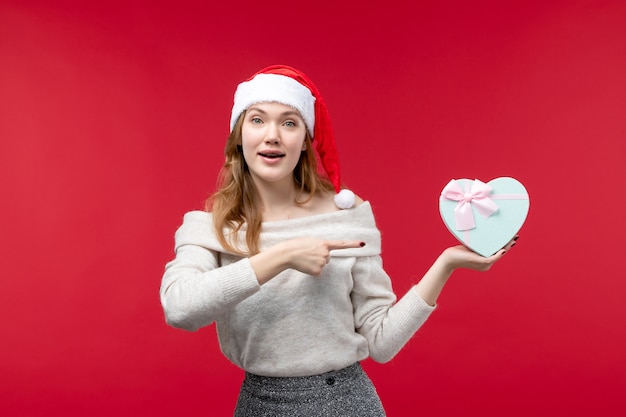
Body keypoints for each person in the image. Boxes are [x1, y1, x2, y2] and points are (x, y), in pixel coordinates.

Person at [159, 65, 516, 416]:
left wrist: (447, 263)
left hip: (346, 404)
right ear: (239, 135)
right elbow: (180, 309)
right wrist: (281, 256)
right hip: (259, 405)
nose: (272, 135)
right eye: (257, 119)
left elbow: (381, 341)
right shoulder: (212, 227)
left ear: (304, 142)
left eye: (289, 122)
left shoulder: (346, 215)